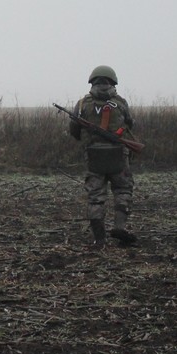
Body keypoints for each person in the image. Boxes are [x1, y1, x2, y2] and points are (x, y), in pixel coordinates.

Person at [68, 65, 138, 249]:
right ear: (113, 82)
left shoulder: (82, 103)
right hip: (118, 156)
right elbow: (130, 123)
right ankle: (119, 227)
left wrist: (88, 140)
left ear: (92, 81)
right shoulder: (121, 102)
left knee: (95, 196)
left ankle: (99, 239)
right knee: (123, 191)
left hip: (94, 156)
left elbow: (74, 129)